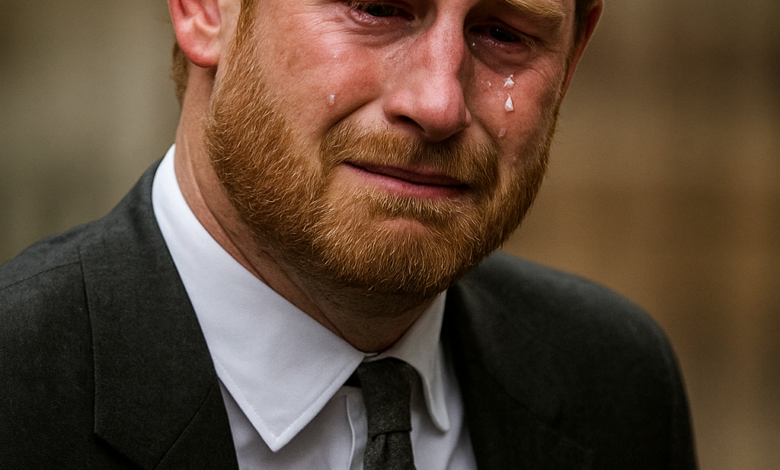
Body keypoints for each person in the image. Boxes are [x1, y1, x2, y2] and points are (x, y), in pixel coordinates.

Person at [0, 0, 697, 468]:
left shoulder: (617, 385)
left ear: (572, 59)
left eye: (505, 33)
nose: (438, 103)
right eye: (377, 7)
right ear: (207, 8)